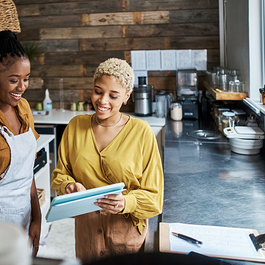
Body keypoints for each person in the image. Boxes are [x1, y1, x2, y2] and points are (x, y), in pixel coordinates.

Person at [51, 58, 164, 263]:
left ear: (126, 97)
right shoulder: (75, 126)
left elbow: (154, 199)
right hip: (87, 238)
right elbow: (60, 173)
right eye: (98, 91)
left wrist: (126, 202)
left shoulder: (142, 133)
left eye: (113, 95)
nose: (103, 101)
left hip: (125, 239)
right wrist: (68, 186)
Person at [0, 30, 41, 256]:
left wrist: (37, 216)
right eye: (14, 80)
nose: (22, 87)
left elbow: (27, 171)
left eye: (26, 79)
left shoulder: (23, 109)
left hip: (25, 217)